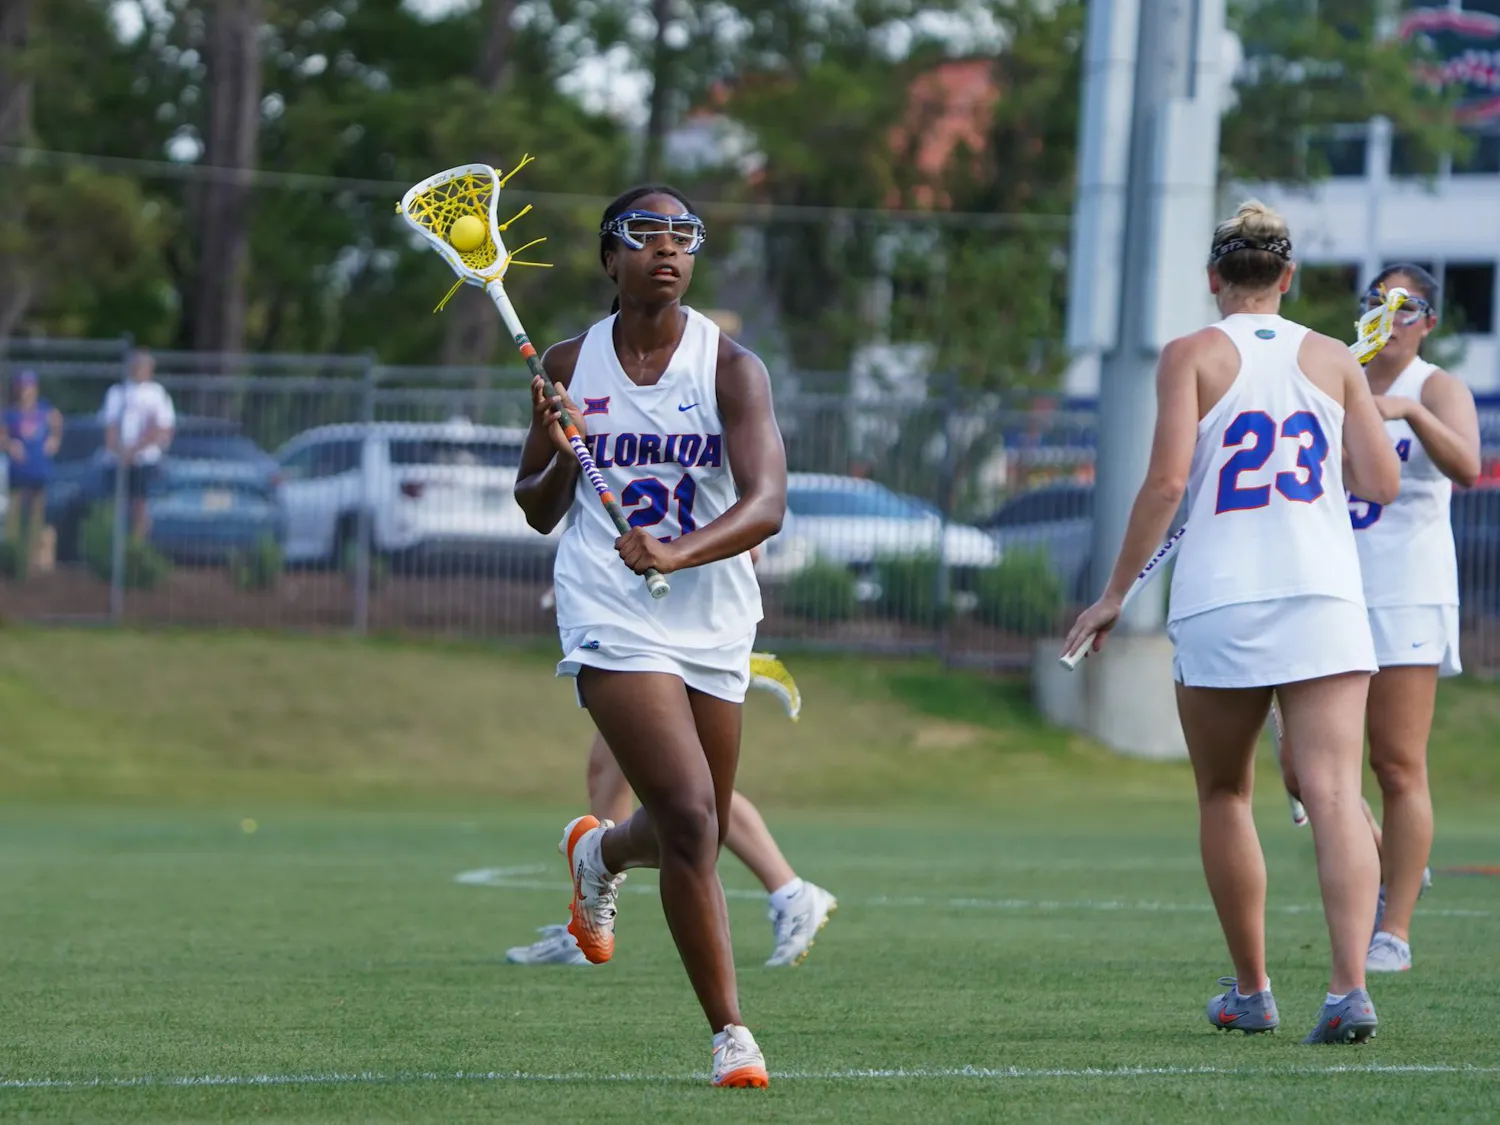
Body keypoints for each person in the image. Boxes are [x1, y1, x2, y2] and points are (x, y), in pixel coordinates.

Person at [1062, 200, 1401, 1044]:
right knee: (1333, 792)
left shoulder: (1190, 355)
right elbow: (1379, 484)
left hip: (1223, 598)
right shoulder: (1332, 357)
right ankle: (1348, 988)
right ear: (1287, 279)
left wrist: (1113, 595)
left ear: (1214, 277)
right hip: (1324, 594)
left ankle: (1252, 991)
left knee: (1226, 791)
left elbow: (1167, 484)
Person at [513, 184, 787, 1087]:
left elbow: (767, 505)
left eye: (685, 236)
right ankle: (732, 1035)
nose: (668, 250)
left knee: (687, 837)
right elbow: (539, 509)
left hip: (712, 614)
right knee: (693, 813)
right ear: (610, 256)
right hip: (609, 609)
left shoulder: (730, 367)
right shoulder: (566, 360)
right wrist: (557, 446)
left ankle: (596, 852)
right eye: (647, 234)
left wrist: (678, 547)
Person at [1278, 264, 1479, 975]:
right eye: (1377, 301)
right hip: (1333, 587)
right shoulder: (1334, 372)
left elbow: (1467, 464)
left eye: (1407, 306)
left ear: (1428, 321)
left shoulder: (1436, 387)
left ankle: (1392, 927)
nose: (1389, 316)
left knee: (1395, 761)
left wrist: (1411, 415)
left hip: (1405, 590)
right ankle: (1389, 852)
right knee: (1303, 766)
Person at [506, 645, 837, 970]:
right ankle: (588, 921)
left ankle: (792, 895)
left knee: (677, 787)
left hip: (659, 640)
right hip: (648, 638)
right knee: (614, 770)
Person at [100, 348, 176, 542]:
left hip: (146, 460)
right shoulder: (117, 393)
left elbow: (162, 428)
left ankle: (137, 546)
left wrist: (135, 450)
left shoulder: (156, 393)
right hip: (118, 460)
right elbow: (110, 428)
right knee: (117, 505)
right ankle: (116, 547)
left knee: (141, 504)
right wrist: (121, 452)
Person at [2, 370, 63, 570]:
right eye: (23, 386)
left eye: (29, 386)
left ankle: (34, 559)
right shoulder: (11, 412)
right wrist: (11, 446)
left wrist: (54, 440)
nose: (26, 390)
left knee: (37, 514)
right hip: (18, 472)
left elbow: (57, 422)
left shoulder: (43, 410)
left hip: (39, 470)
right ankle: (12, 557)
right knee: (14, 514)